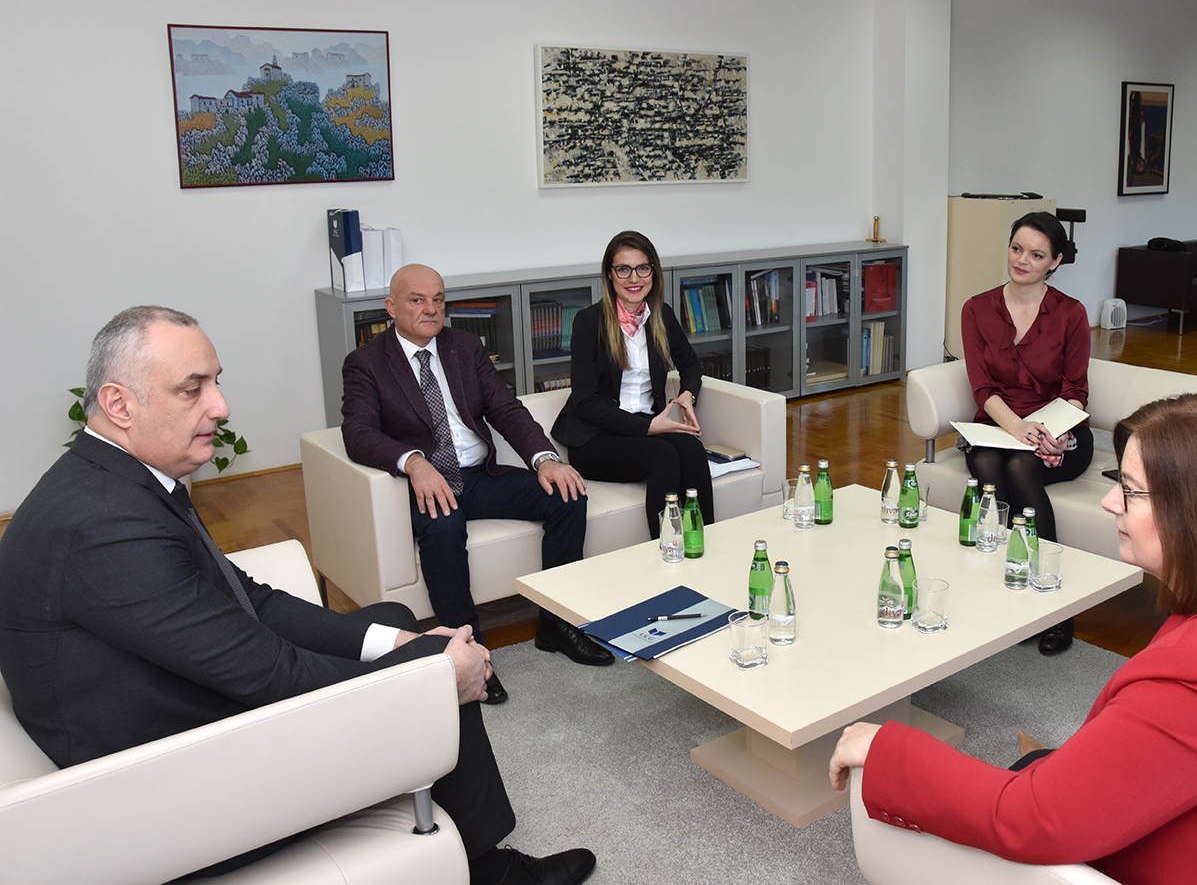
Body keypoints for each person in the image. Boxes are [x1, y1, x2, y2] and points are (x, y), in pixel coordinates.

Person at [0, 306, 595, 885]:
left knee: (397, 624)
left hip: (173, 710)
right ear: (118, 404)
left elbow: (249, 600)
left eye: (216, 383)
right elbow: (269, 674)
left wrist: (397, 642)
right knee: (438, 661)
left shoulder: (117, 483)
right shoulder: (107, 526)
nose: (220, 406)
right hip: (178, 784)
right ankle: (491, 871)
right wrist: (430, 674)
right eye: (192, 389)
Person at [829, 394, 1197, 885]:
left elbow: (1033, 820)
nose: (1110, 502)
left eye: (1131, 491)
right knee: (1041, 766)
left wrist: (883, 748)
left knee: (1015, 787)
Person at [342, 264, 614, 703]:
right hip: (430, 483)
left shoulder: (464, 347)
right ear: (391, 307)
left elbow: (505, 408)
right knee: (443, 529)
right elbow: (357, 433)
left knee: (567, 495)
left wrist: (545, 459)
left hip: (479, 476)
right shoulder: (367, 362)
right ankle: (469, 655)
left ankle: (556, 624)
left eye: (438, 299)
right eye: (417, 300)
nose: (431, 309)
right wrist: (414, 463)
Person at [959, 211, 1092, 655]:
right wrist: (1017, 428)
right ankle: (1004, 591)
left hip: (1060, 431)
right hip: (999, 426)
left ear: (1055, 262)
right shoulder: (977, 309)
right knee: (985, 459)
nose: (1022, 260)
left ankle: (1055, 608)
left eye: (1036, 255)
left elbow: (1075, 392)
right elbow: (982, 389)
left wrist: (1052, 432)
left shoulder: (1071, 313)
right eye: (1017, 249)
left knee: (1018, 465)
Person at [552, 231, 712, 539]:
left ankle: (704, 540)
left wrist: (687, 396)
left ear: (654, 272)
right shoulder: (589, 322)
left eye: (643, 268)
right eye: (623, 269)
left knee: (691, 447)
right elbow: (585, 402)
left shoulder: (662, 316)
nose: (634, 278)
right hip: (595, 439)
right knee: (663, 454)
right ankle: (667, 548)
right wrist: (649, 427)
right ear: (610, 275)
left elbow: (691, 364)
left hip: (642, 427)